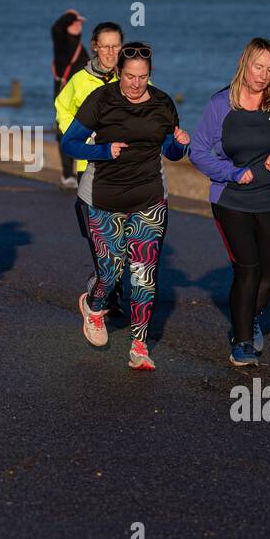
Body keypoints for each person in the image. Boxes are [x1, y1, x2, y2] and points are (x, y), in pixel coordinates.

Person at [60, 42, 189, 371]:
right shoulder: (101, 100)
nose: (135, 83)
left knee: (144, 275)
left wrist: (179, 145)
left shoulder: (162, 103)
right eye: (130, 76)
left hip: (149, 197)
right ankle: (94, 305)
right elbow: (70, 142)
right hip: (104, 198)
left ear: (150, 75)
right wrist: (103, 151)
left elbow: (171, 153)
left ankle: (139, 345)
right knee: (111, 272)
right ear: (118, 73)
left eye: (142, 77)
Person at [191, 38, 270, 367]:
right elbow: (197, 151)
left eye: (269, 69)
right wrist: (231, 173)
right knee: (248, 270)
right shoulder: (220, 104)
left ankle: (247, 316)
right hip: (231, 199)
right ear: (244, 63)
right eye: (258, 66)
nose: (263, 75)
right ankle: (241, 341)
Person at [55, 21, 125, 315]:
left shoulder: (130, 76)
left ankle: (109, 289)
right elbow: (62, 109)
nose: (110, 52)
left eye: (116, 46)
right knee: (100, 234)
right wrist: (84, 135)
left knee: (125, 234)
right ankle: (105, 289)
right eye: (105, 46)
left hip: (126, 165)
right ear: (95, 46)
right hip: (91, 165)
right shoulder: (80, 81)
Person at [50, 8, 88, 189]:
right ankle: (67, 174)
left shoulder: (80, 45)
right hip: (65, 92)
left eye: (80, 21)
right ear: (67, 25)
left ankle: (80, 172)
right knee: (64, 132)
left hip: (82, 94)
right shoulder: (62, 43)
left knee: (83, 131)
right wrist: (69, 15)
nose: (79, 24)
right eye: (75, 22)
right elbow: (56, 28)